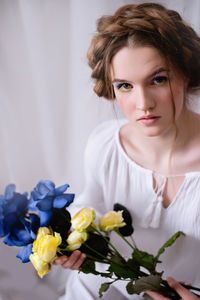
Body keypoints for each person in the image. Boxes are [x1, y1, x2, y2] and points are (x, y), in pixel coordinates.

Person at [54, 2, 200, 299]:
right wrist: (72, 240)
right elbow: (91, 204)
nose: (143, 103)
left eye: (158, 79)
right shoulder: (106, 144)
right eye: (125, 86)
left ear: (186, 74)